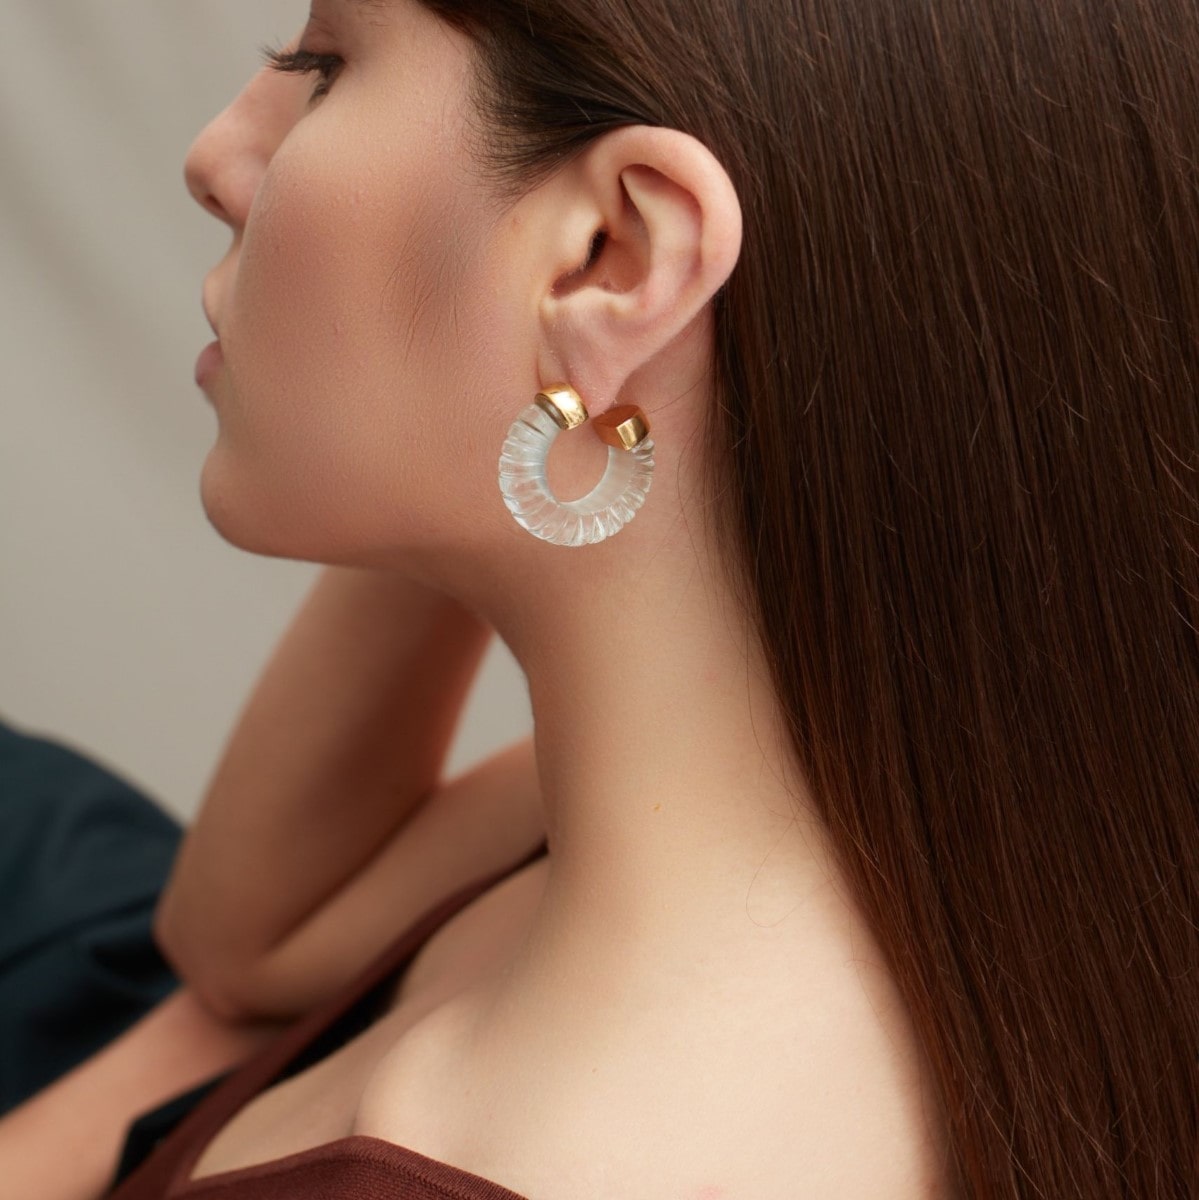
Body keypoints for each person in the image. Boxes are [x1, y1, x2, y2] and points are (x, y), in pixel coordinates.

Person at [1, 0, 1195, 1196]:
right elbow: (244, 940)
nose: (217, 157)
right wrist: (547, 393)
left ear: (611, 253)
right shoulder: (900, 788)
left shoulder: (487, 1134)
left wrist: (555, 379)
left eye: (323, 67)